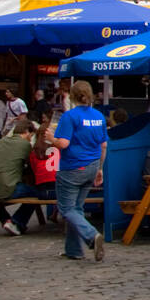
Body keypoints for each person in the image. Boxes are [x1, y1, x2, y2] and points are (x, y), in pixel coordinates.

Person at [54, 80, 108, 262]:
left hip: (73, 167)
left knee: (67, 208)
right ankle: (74, 250)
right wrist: (100, 168)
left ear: (72, 95)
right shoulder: (99, 116)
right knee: (76, 208)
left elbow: (63, 143)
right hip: (92, 166)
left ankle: (91, 235)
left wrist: (50, 139)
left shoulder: (69, 117)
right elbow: (104, 145)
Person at [0, 118, 41, 235]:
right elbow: (31, 167)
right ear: (27, 132)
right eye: (31, 135)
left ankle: (6, 220)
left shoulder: (2, 141)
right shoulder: (25, 145)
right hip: (7, 187)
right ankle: (17, 222)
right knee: (38, 194)